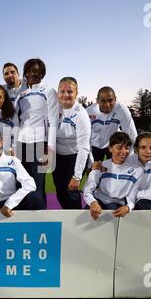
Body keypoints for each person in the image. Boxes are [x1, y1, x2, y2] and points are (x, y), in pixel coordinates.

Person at [14, 58, 58, 208]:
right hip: (21, 144)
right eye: (30, 70)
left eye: (37, 71)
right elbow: (15, 121)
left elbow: (53, 121)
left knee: (36, 187)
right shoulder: (21, 94)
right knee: (21, 184)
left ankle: (40, 219)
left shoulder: (49, 91)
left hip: (40, 144)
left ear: (42, 73)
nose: (33, 73)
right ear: (25, 73)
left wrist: (50, 148)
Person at [83, 132, 143, 220]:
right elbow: (87, 190)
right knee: (86, 216)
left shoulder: (137, 170)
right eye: (119, 148)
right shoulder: (100, 166)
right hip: (98, 201)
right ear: (110, 148)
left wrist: (128, 207)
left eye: (127, 148)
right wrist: (93, 202)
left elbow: (134, 194)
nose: (124, 151)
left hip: (118, 205)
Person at [52, 77, 91, 209]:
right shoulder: (53, 108)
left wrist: (77, 176)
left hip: (74, 156)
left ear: (76, 93)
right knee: (60, 191)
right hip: (57, 156)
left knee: (71, 191)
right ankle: (68, 219)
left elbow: (84, 147)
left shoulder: (81, 114)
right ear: (57, 93)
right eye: (62, 91)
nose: (66, 95)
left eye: (70, 92)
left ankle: (75, 222)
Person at [86, 86, 137, 162]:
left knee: (116, 168)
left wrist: (130, 160)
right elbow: (84, 137)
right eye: (103, 101)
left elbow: (131, 134)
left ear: (115, 99)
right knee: (94, 171)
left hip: (113, 143)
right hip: (94, 145)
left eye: (110, 100)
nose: (107, 105)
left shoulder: (121, 109)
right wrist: (90, 162)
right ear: (97, 101)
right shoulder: (89, 111)